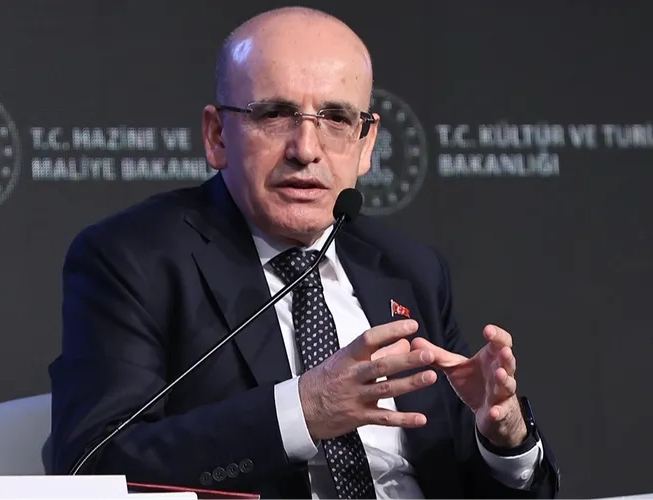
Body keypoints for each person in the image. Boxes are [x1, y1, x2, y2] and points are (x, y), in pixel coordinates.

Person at [48, 6, 559, 500]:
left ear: (365, 143)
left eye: (336, 118)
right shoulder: (134, 259)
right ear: (217, 135)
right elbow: (92, 465)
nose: (306, 149)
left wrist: (504, 439)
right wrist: (303, 410)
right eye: (275, 114)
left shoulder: (410, 269)